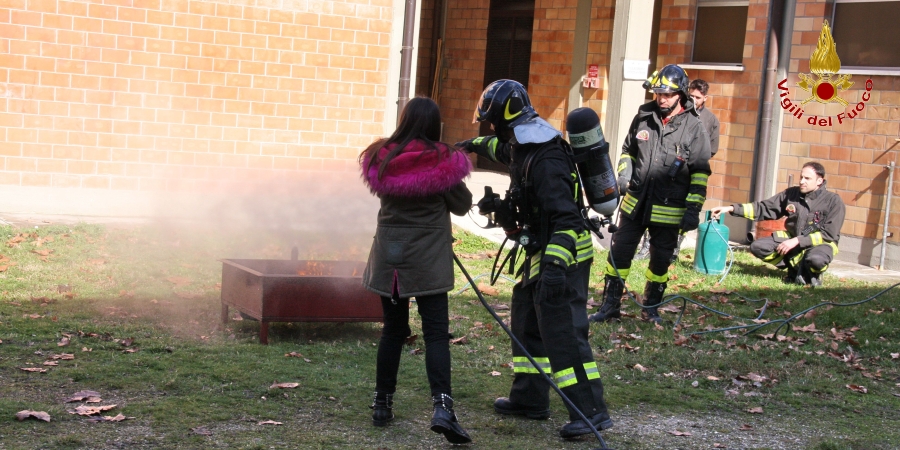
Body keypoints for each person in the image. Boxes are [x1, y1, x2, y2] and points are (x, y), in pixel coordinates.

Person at [455, 80, 612, 439]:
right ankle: (530, 399)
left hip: (564, 254)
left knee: (563, 332)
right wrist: (470, 146)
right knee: (527, 321)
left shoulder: (546, 159)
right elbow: (500, 148)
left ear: (507, 117)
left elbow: (568, 220)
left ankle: (591, 412)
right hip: (540, 250)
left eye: (494, 123)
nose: (492, 130)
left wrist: (556, 266)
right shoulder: (522, 144)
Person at [360, 97, 473, 444]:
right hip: (428, 259)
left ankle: (382, 404)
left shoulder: (382, 156)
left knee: (393, 331)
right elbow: (462, 204)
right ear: (435, 124)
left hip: (390, 259)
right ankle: (442, 407)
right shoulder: (443, 160)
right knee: (436, 334)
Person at [590, 64, 712, 324]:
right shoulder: (644, 116)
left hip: (669, 209)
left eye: (667, 94)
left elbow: (700, 172)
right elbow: (627, 151)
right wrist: (624, 175)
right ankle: (610, 306)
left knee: (660, 262)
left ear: (680, 94)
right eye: (658, 94)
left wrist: (693, 209)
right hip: (635, 203)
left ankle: (651, 308)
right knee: (619, 254)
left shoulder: (694, 127)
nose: (661, 99)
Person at [709, 161, 845, 287]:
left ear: (819, 181)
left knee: (816, 260)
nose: (802, 181)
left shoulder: (833, 201)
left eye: (807, 179)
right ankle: (795, 266)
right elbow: (764, 208)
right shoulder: (791, 194)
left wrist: (797, 241)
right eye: (801, 177)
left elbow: (829, 234)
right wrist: (731, 209)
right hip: (793, 239)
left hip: (819, 244)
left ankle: (813, 272)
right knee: (758, 247)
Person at [635, 77, 720, 262]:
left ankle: (674, 250)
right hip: (664, 171)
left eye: (698, 97)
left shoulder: (709, 120)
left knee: (679, 218)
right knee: (654, 213)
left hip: (688, 171)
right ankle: (646, 247)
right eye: (692, 96)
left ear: (705, 98)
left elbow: (711, 148)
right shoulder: (674, 114)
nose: (694, 100)